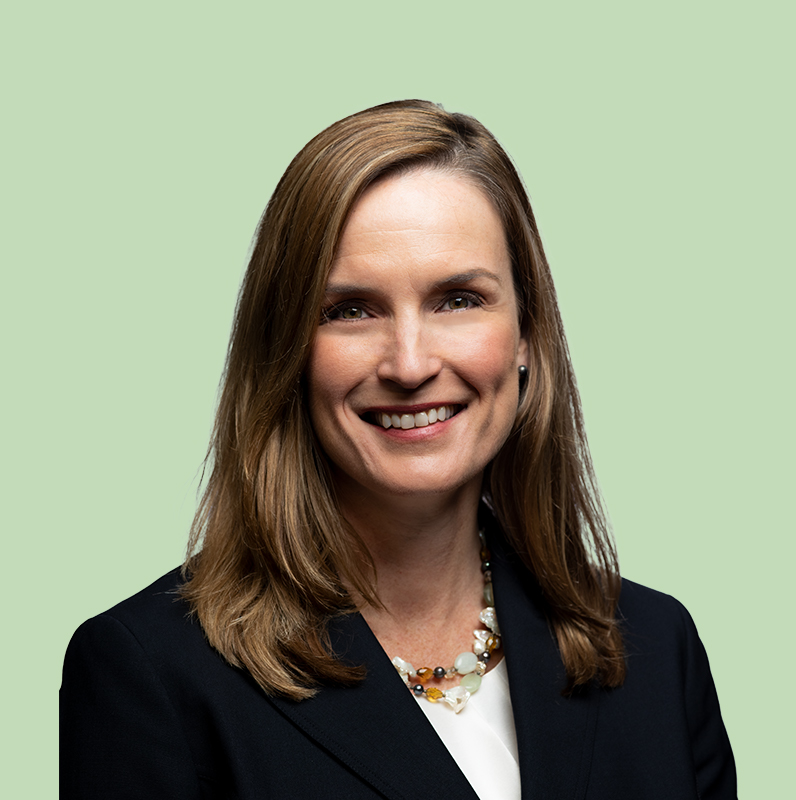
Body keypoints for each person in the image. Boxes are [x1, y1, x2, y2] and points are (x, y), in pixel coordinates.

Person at [60, 100, 737, 799]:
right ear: (285, 350)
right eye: (350, 310)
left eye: (458, 299)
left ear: (527, 332)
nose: (410, 364)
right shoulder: (149, 673)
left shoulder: (657, 649)